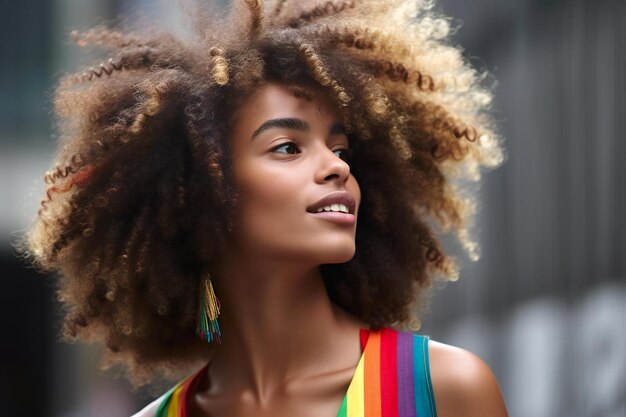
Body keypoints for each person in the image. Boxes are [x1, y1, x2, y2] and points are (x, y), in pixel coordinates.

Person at [19, 0, 508, 416]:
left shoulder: (441, 390)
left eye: (340, 150)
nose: (336, 168)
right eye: (288, 148)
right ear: (200, 189)